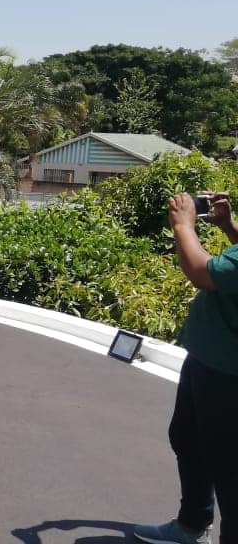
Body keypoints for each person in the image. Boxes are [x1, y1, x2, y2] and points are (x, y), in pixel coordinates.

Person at [133, 192, 238, 544]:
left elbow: (200, 271)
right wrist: (228, 227)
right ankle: (192, 525)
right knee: (188, 438)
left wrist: (183, 224)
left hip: (227, 375)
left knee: (228, 470)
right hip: (209, 362)